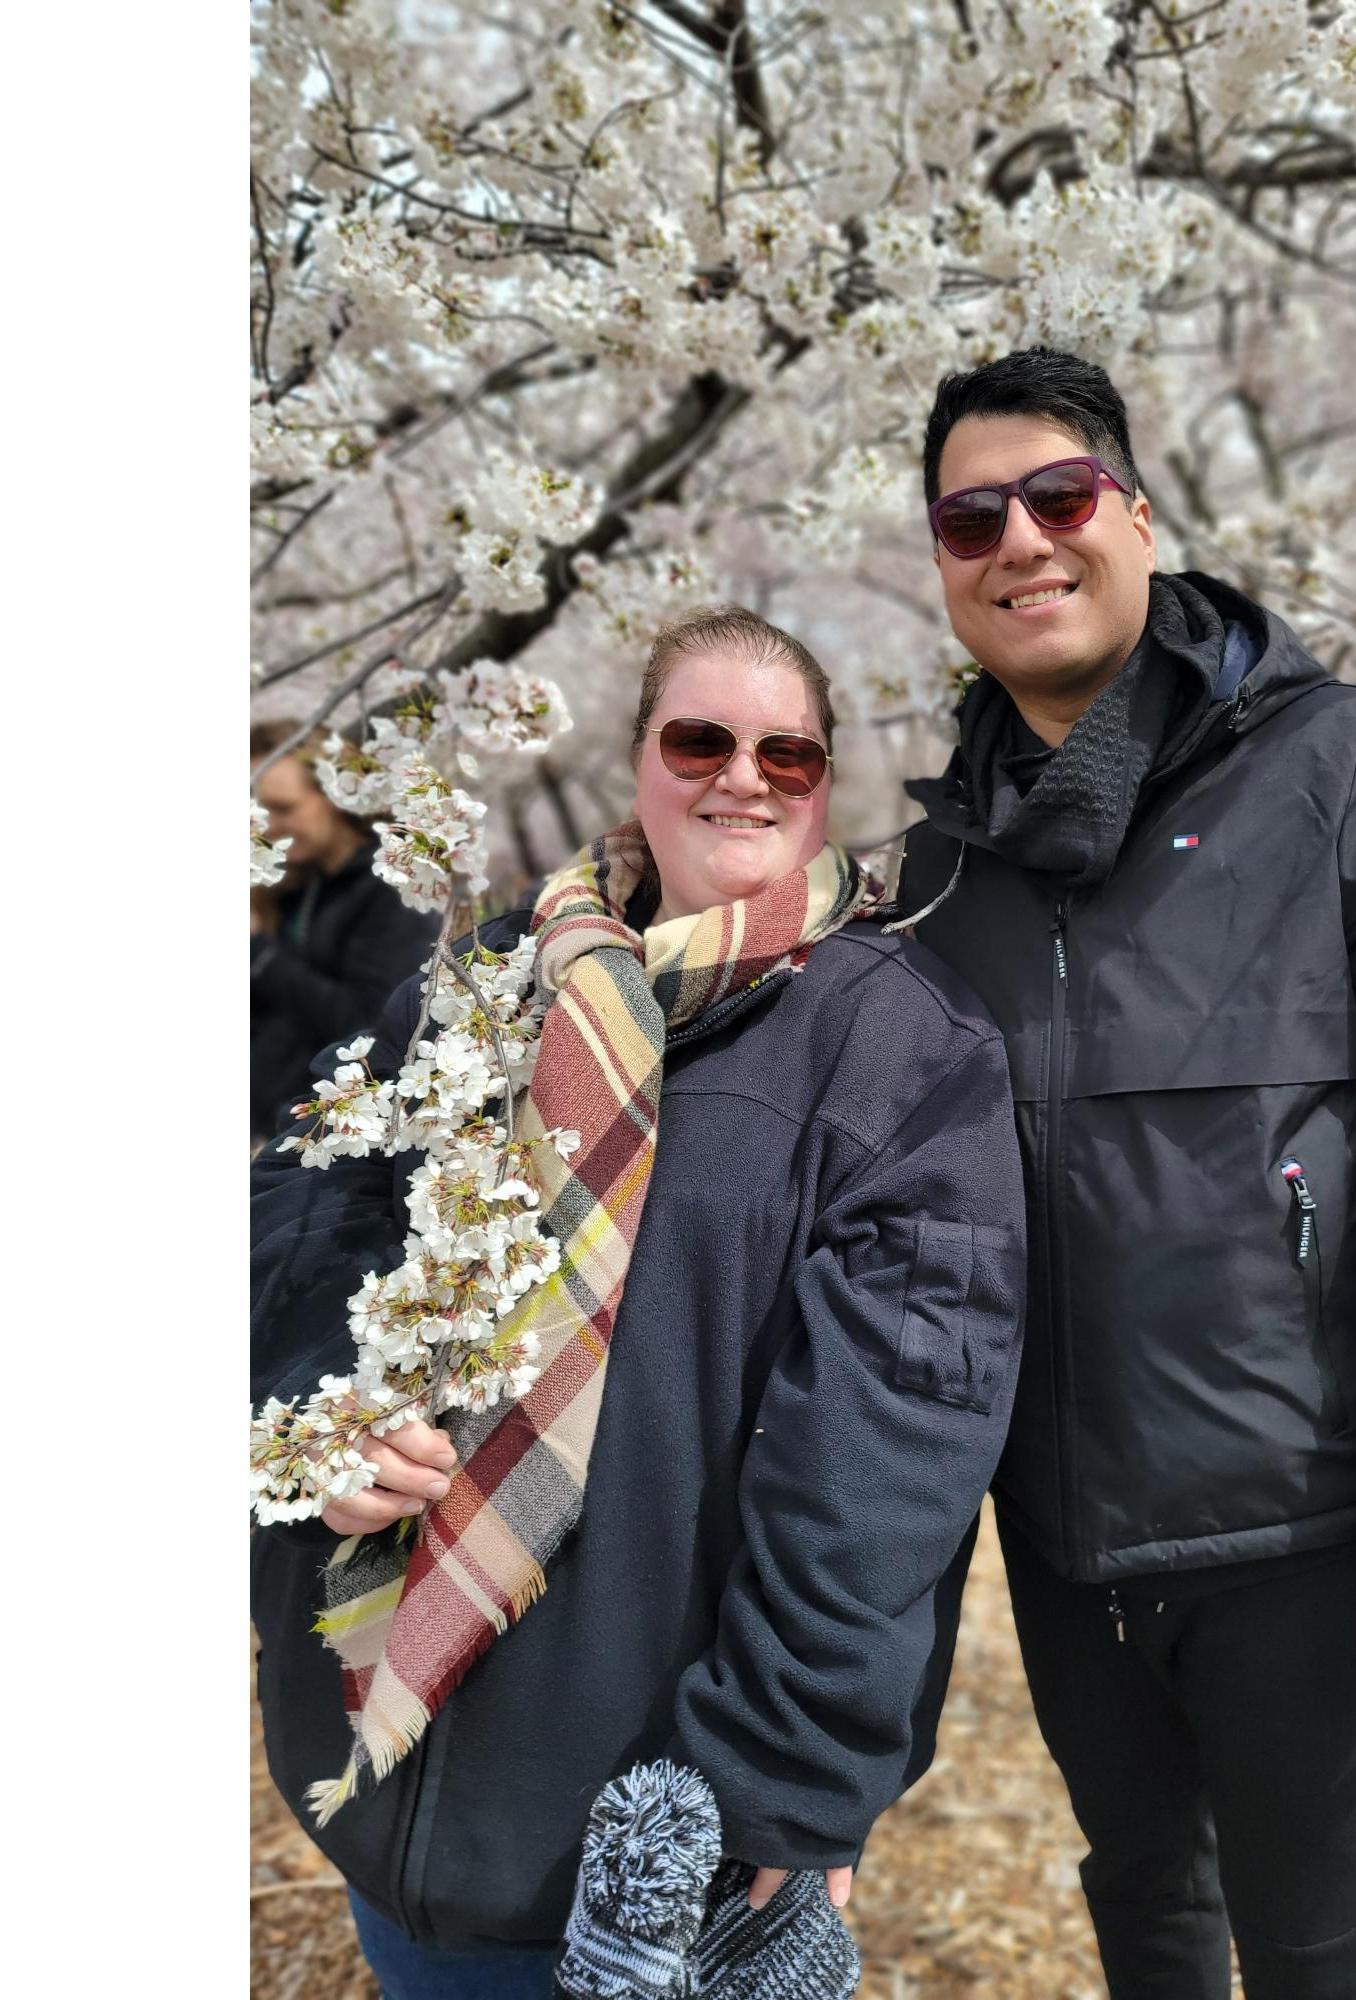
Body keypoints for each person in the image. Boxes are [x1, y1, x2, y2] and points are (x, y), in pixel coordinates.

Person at [896, 349, 1356, 2000]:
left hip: (1307, 1537)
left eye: (1060, 497)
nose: (1022, 544)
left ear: (1138, 513)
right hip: (1063, 1542)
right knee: (1148, 1910)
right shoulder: (941, 863)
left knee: (1326, 1954)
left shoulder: (1349, 768)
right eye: (973, 517)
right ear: (941, 562)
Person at [250, 607, 1027, 1995]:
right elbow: (302, 1209)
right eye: (701, 739)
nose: (745, 776)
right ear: (639, 763)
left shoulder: (903, 1044)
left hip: (651, 1816)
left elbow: (886, 1461)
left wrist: (792, 1778)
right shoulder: (487, 982)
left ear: (827, 783)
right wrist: (332, 1414)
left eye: (789, 755)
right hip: (396, 1761)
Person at [250, 721, 439, 1141]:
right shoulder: (299, 886)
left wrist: (259, 950)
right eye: (260, 813)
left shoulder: (390, 887)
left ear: (337, 794)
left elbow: (370, 1025)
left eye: (283, 808)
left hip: (325, 1140)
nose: (269, 826)